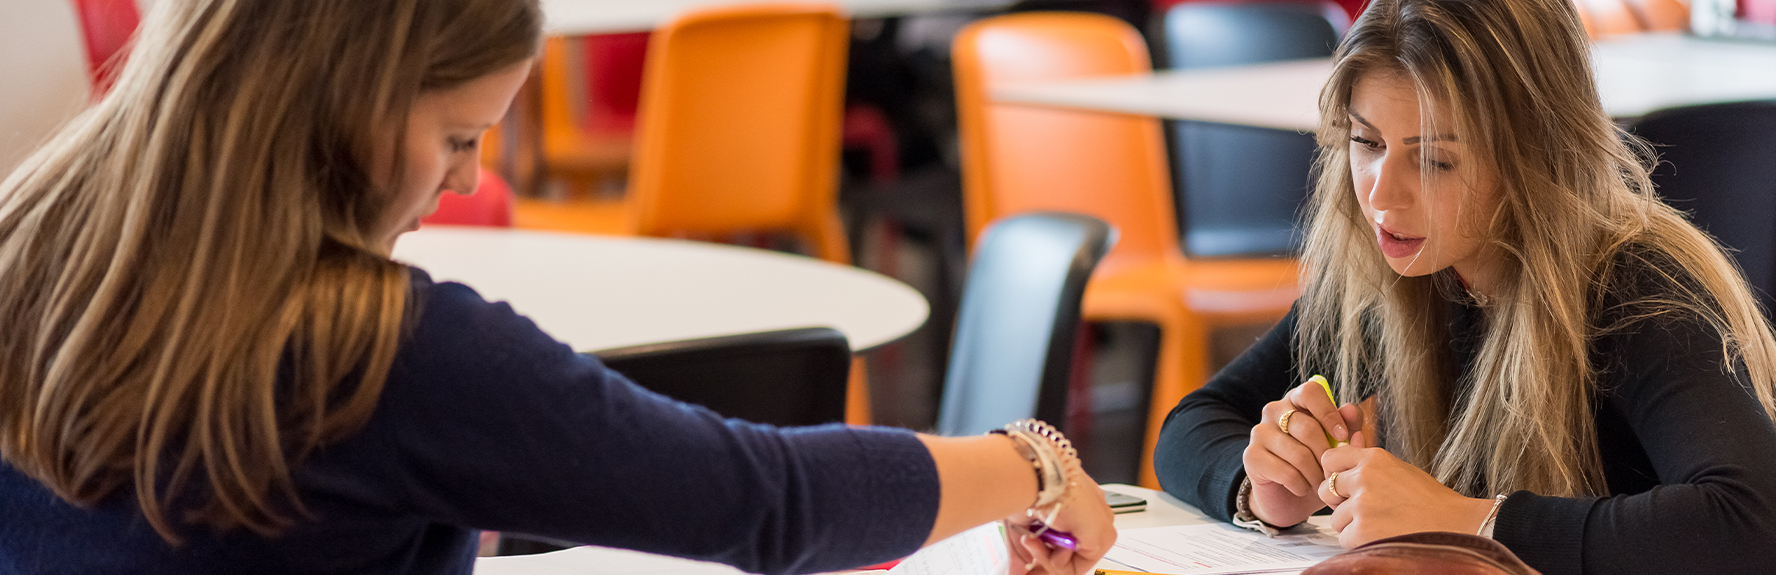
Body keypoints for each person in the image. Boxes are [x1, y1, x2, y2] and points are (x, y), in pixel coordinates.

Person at [0, 1, 1114, 573]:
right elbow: (765, 501)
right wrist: (1032, 458)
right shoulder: (372, 350)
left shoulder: (26, 254)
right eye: (455, 136)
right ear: (347, 102)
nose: (472, 179)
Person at [1151, 0, 1776, 573]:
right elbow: (1194, 422)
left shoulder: (1634, 287)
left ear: (1536, 157)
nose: (1381, 196)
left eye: (1434, 160)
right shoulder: (1398, 266)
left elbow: (1759, 533)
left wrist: (1467, 521)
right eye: (1365, 143)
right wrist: (1264, 487)